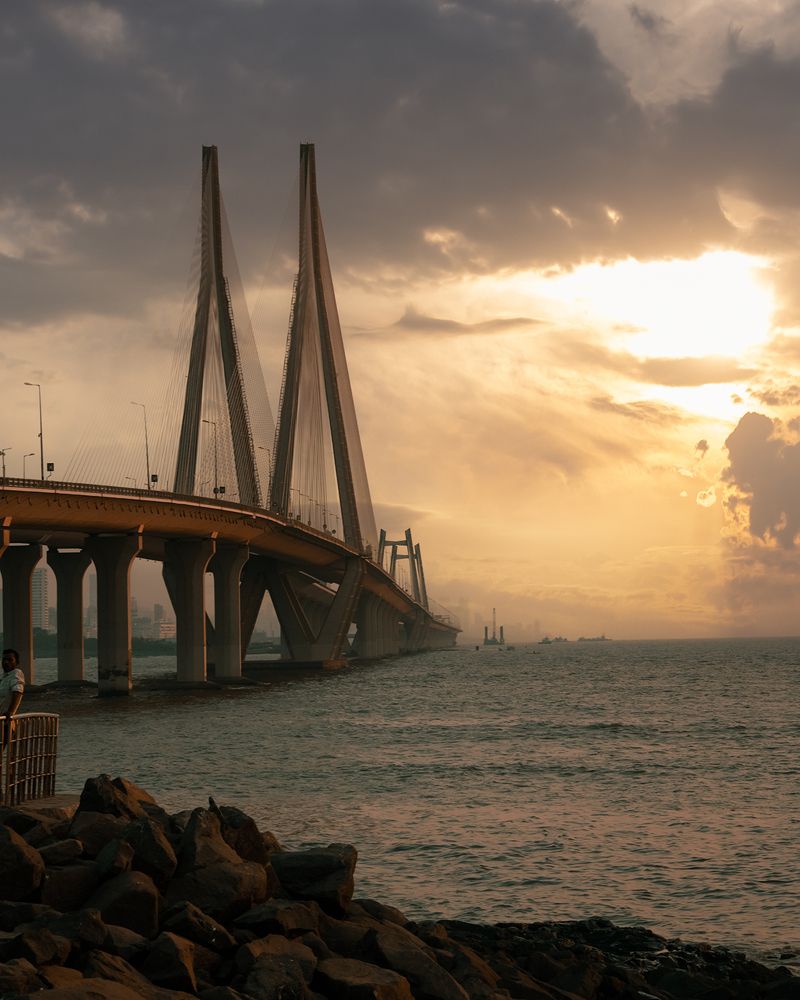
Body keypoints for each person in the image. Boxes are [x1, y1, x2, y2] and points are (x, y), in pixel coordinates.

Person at [0, 648, 24, 746]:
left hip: (5, 723)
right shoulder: (3, 677)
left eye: (10, 660)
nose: (6, 662)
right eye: (4, 659)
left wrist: (10, 712)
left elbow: (18, 692)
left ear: (16, 662)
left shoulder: (16, 673)